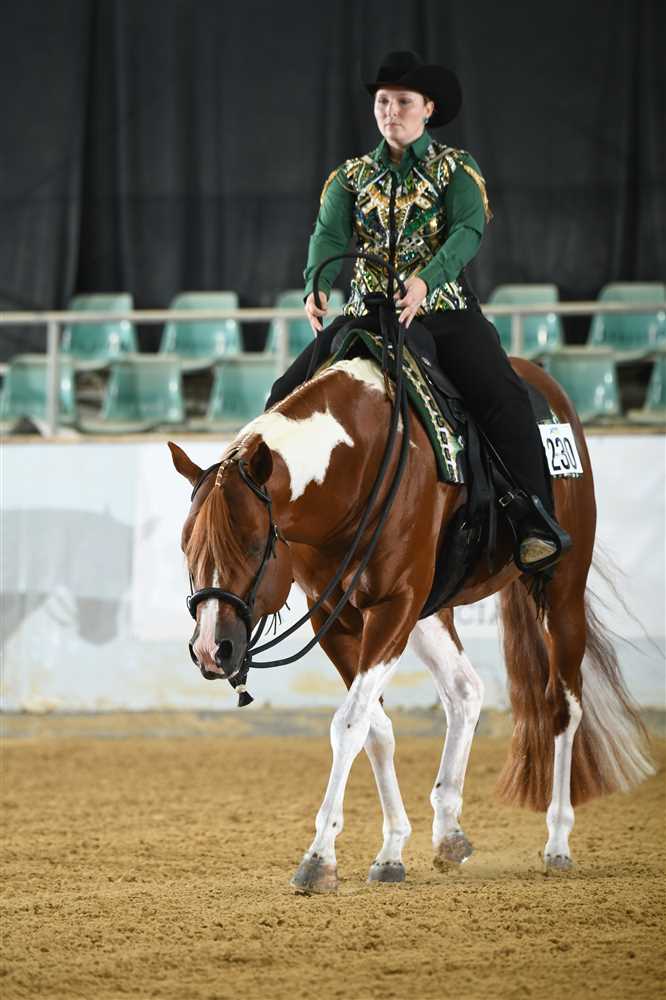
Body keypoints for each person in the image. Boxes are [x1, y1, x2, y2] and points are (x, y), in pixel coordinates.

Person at [266, 50, 570, 572]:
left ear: (428, 109)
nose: (391, 111)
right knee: (281, 396)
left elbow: (467, 231)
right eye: (383, 102)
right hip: (366, 315)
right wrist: (316, 283)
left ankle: (533, 518)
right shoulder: (350, 177)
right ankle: (272, 527)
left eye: (403, 102)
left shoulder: (456, 169)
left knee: (502, 396)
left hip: (442, 312)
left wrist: (427, 280)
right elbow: (328, 235)